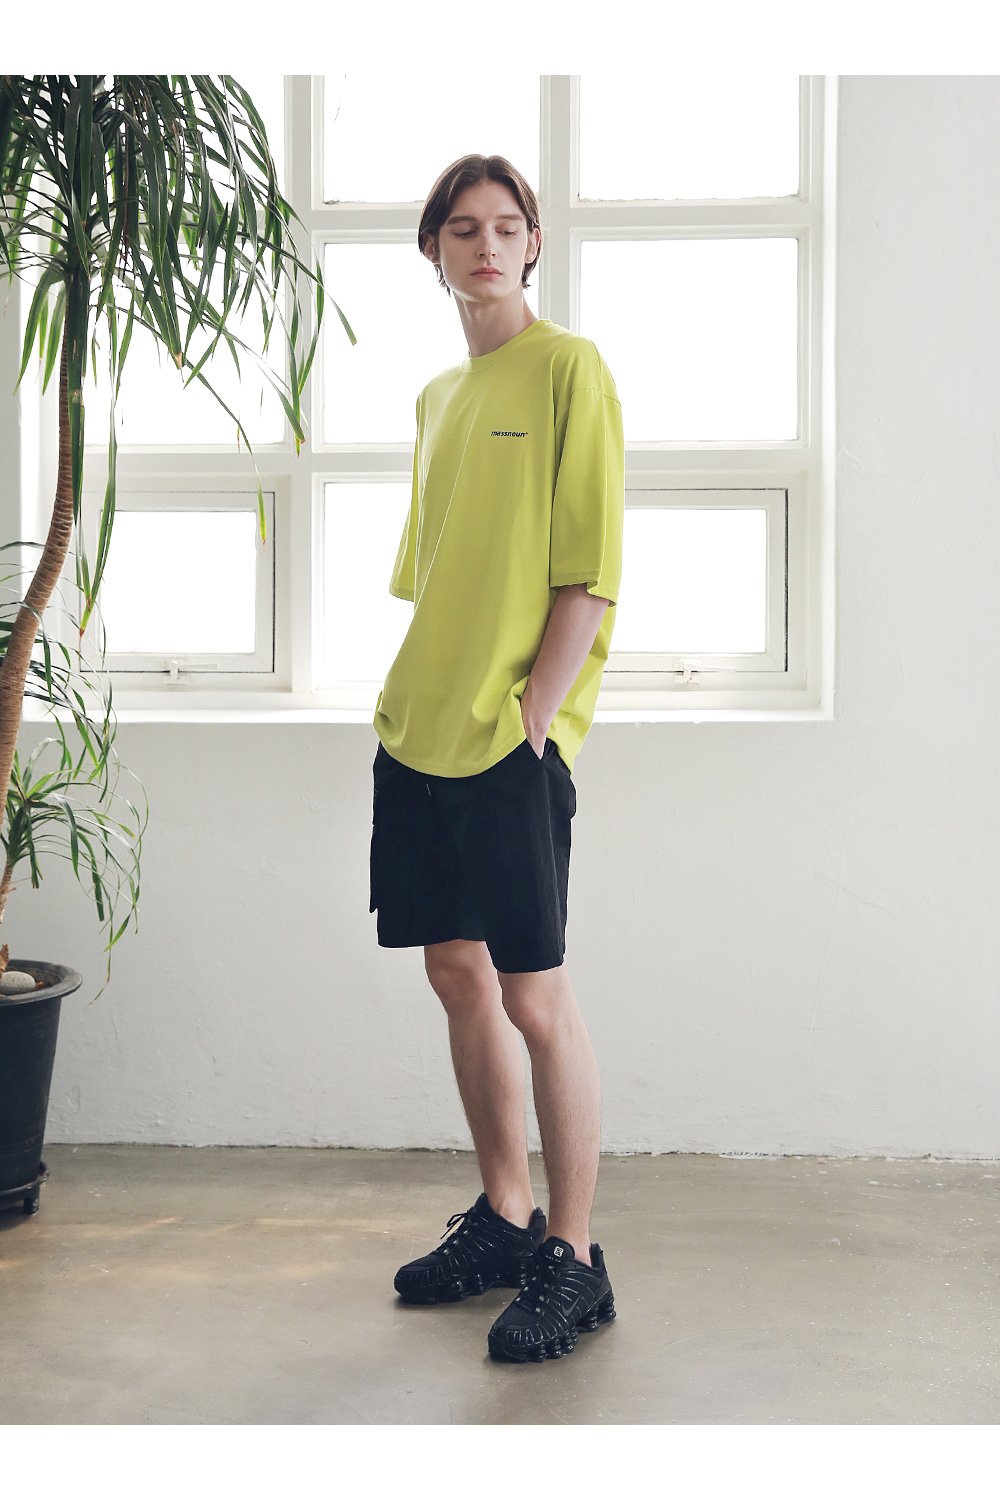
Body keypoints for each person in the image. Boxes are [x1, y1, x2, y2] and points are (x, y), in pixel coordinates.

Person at [369, 153, 624, 1363]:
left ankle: (573, 1256)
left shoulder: (570, 369)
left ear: (533, 246)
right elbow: (435, 578)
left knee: (533, 995)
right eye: (461, 229)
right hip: (416, 728)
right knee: (456, 975)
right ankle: (506, 1217)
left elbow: (588, 573)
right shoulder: (437, 398)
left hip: (509, 742)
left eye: (505, 227)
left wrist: (535, 716)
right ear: (433, 252)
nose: (484, 246)